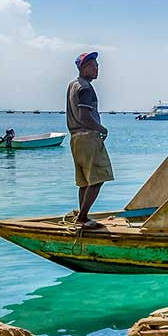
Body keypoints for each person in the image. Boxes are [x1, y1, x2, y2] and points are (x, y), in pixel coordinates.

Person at [67, 51, 113, 229]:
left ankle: (82, 217)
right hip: (88, 137)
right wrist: (102, 129)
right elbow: (85, 116)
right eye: (92, 66)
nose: (97, 69)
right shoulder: (85, 88)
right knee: (98, 178)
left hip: (76, 138)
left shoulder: (73, 85)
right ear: (83, 68)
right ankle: (83, 217)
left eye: (97, 66)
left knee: (85, 180)